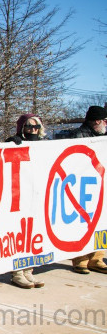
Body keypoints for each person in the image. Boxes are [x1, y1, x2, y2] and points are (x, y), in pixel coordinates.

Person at [59, 105, 107, 274]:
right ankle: (80, 259)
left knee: (100, 221)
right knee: (81, 223)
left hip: (99, 186)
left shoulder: (103, 138)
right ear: (97, 121)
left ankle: (97, 258)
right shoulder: (78, 136)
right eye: (105, 121)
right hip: (82, 187)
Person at [5, 114, 46, 288]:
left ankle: (29, 270)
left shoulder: (46, 146)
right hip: (18, 196)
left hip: (37, 195)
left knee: (33, 234)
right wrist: (9, 143)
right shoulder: (14, 143)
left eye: (36, 126)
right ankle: (17, 273)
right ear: (22, 127)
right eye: (28, 126)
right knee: (19, 234)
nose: (32, 130)